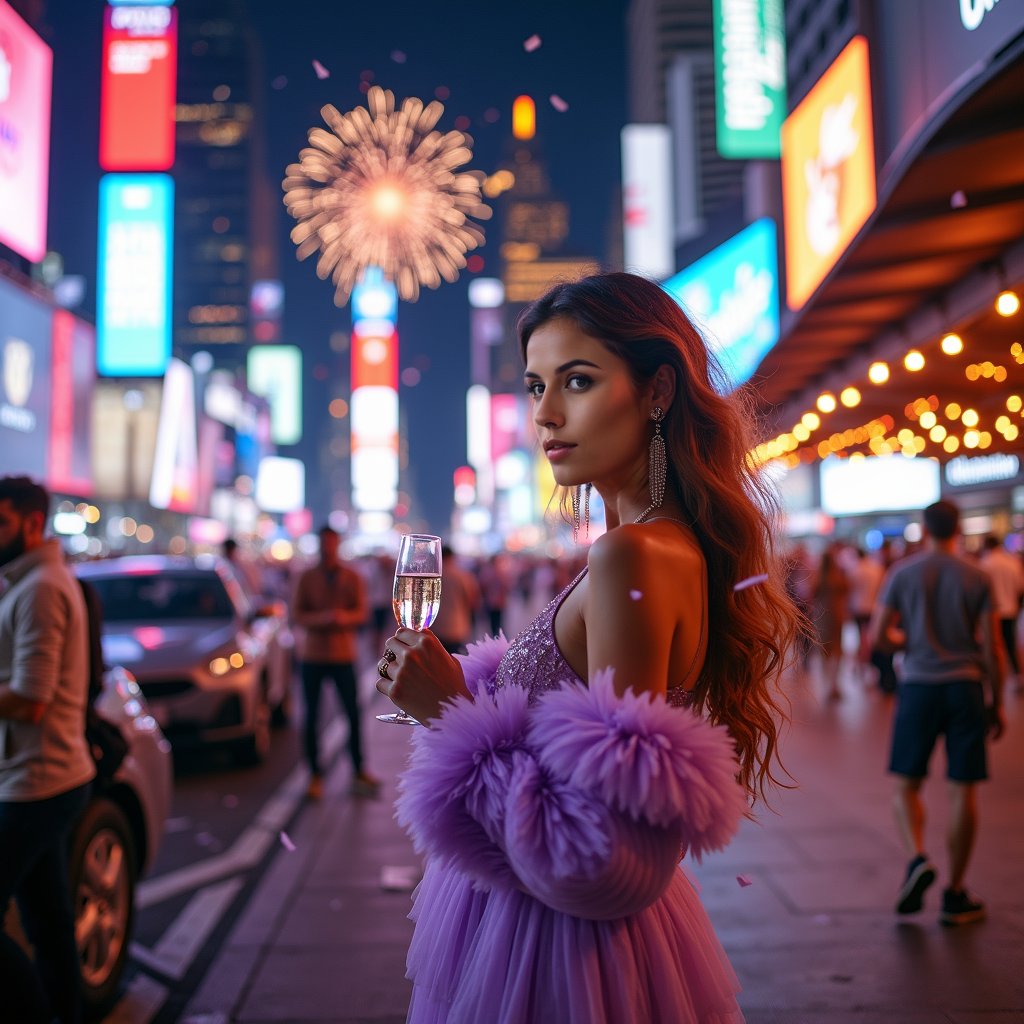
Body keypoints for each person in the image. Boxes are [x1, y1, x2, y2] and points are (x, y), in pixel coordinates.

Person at [374, 272, 802, 1023]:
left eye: (577, 380)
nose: (544, 413)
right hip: (565, 945)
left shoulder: (632, 557)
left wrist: (449, 714)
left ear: (657, 391)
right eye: (537, 385)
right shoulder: (655, 548)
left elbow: (603, 863)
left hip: (556, 958)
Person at [869, 500, 1006, 926]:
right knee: (962, 789)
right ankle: (956, 893)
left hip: (918, 689)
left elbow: (878, 637)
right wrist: (996, 701)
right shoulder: (977, 576)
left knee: (906, 785)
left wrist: (912, 641)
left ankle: (917, 859)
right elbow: (992, 647)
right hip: (964, 687)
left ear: (924, 528)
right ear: (958, 527)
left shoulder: (902, 574)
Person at [0, 476, 96, 1024]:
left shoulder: (39, 588)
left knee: (46, 920)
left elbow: (31, 699)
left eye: (3, 522)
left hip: (35, 780)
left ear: (32, 523)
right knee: (48, 920)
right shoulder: (31, 581)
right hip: (46, 775)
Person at [292, 525, 378, 799]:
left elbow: (362, 612)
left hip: (343, 654)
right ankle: (314, 775)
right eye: (324, 543)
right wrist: (322, 620)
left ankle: (358, 770)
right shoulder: (306, 577)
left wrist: (341, 618)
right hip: (313, 655)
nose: (327, 548)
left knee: (352, 714)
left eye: (332, 543)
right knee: (311, 716)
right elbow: (297, 614)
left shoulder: (352, 576)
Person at [979, 535, 1024, 692]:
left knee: (993, 646)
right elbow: (1020, 586)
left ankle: (994, 681)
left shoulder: (985, 563)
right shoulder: (1012, 562)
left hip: (991, 612)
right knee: (1011, 643)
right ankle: (1018, 675)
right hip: (1011, 609)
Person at [430, 545, 481, 655]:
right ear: (452, 557)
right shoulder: (463, 576)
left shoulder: (431, 576)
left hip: (435, 626)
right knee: (454, 661)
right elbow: (473, 599)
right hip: (456, 626)